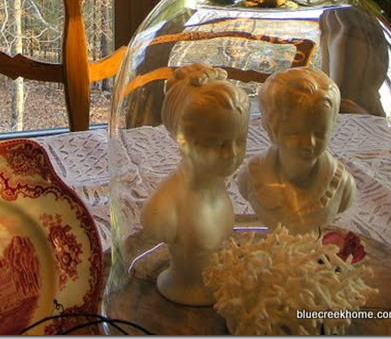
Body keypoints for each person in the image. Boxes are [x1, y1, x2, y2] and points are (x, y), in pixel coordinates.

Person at [140, 63, 250, 306]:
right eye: (219, 144)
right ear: (184, 141)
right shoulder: (165, 206)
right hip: (179, 290)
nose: (233, 153)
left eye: (240, 140)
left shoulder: (218, 188)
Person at [237, 67, 356, 234]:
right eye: (295, 134)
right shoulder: (251, 177)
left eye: (319, 133)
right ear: (270, 128)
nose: (309, 143)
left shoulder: (342, 185)